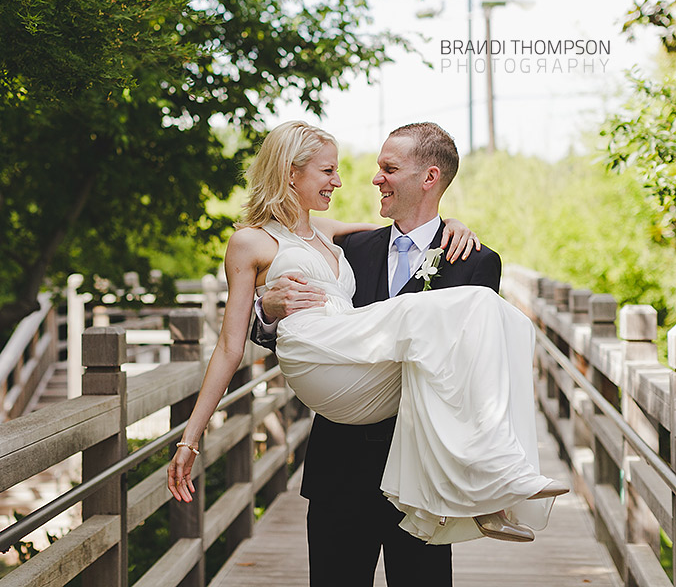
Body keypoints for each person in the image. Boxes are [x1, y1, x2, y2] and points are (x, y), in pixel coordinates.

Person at [166, 121, 565, 577]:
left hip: (423, 474)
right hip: (342, 464)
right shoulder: (353, 247)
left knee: (483, 310)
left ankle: (496, 479)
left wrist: (449, 224)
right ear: (291, 172)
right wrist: (267, 310)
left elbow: (473, 377)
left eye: (388, 168)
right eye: (330, 170)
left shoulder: (472, 259)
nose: (367, 178)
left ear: (429, 178)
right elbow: (253, 330)